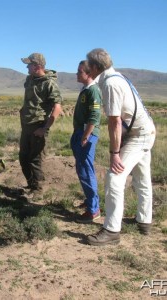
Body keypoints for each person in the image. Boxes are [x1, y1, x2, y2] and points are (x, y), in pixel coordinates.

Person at [86, 48, 156, 246]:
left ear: (96, 66)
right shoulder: (118, 77)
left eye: (88, 64)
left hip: (138, 135)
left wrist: (115, 153)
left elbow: (115, 121)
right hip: (144, 130)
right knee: (142, 177)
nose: (86, 68)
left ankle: (111, 230)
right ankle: (144, 221)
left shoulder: (111, 84)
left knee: (115, 177)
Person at [19, 53, 62, 196]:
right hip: (26, 124)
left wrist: (44, 129)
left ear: (37, 66)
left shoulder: (49, 83)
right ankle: (31, 185)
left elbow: (57, 108)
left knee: (35, 159)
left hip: (39, 125)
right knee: (23, 157)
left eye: (29, 64)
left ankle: (38, 190)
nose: (26, 67)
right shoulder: (29, 79)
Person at [71, 60, 102, 223]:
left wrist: (85, 136)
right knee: (83, 169)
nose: (76, 74)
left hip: (86, 135)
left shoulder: (93, 91)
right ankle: (92, 202)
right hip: (80, 133)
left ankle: (93, 210)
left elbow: (95, 117)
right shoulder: (85, 89)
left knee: (85, 171)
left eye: (79, 71)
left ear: (89, 74)